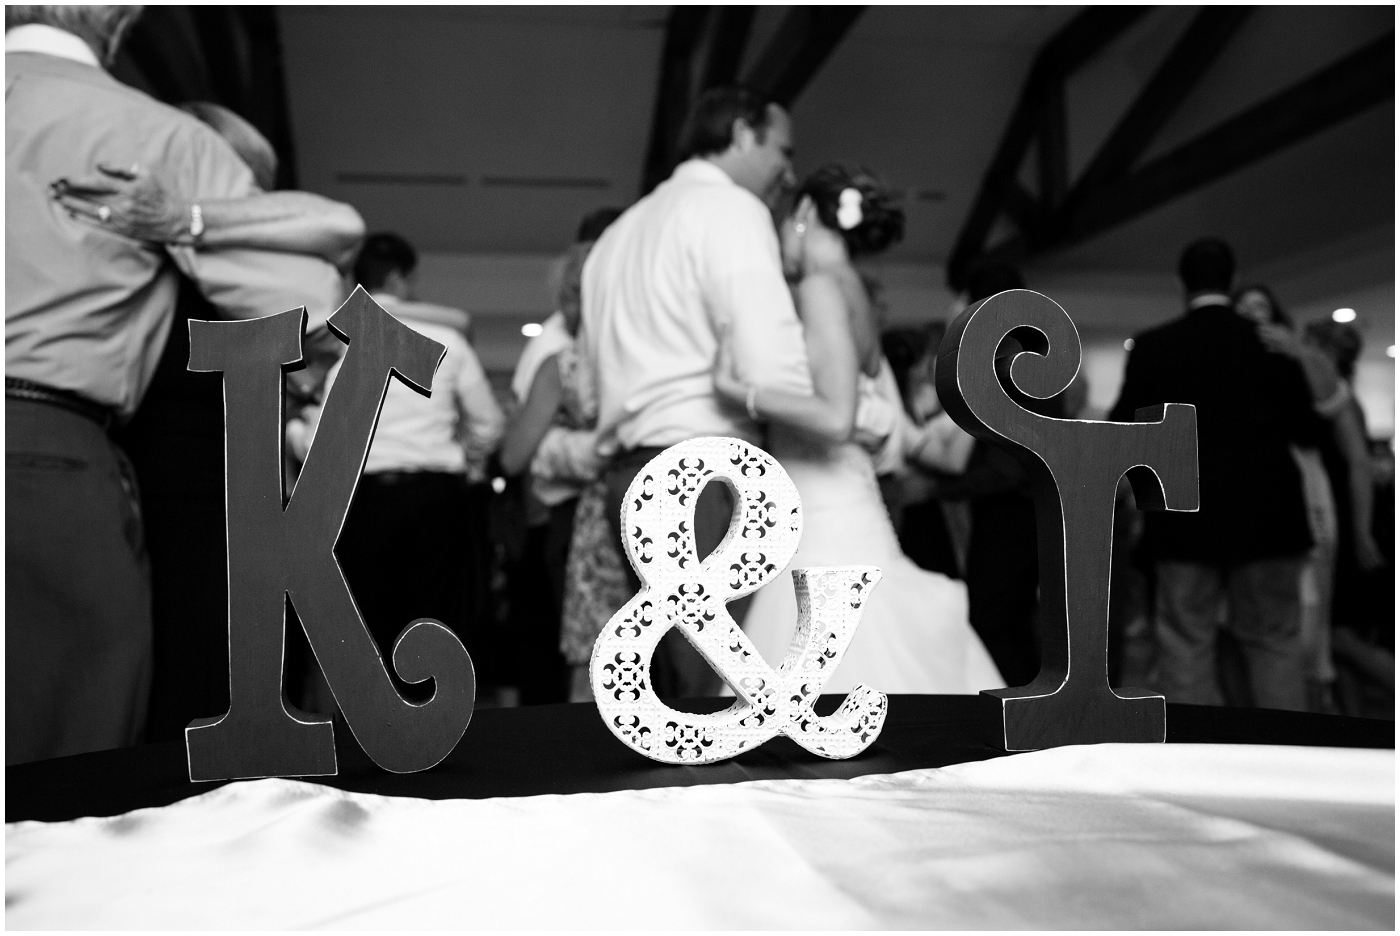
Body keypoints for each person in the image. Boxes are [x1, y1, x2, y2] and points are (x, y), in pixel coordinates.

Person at [6, 6, 343, 763]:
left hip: (134, 468)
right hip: (55, 456)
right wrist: (204, 218)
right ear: (119, 19)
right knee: (60, 772)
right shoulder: (151, 138)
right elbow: (313, 304)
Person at [50, 101, 366, 741]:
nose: (256, 202)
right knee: (198, 667)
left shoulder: (200, 243)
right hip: (190, 473)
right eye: (246, 184)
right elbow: (334, 251)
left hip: (177, 466)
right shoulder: (203, 249)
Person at [716, 165, 1003, 695]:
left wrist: (741, 393)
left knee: (822, 667)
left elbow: (835, 416)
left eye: (782, 223)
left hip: (825, 511)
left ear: (802, 213)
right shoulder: (856, 290)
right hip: (848, 496)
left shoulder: (822, 286)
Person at [579, 85, 812, 699]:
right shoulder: (730, 210)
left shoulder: (616, 235)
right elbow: (768, 352)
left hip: (629, 474)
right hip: (704, 474)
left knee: (667, 694)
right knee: (715, 695)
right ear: (740, 133)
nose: (787, 169)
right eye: (780, 148)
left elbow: (590, 372)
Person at [289, 233, 505, 701]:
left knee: (362, 620)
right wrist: (466, 457)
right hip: (435, 498)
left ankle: (369, 734)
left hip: (359, 500)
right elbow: (488, 425)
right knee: (434, 619)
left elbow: (314, 445)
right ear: (400, 278)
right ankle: (434, 727)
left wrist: (295, 432)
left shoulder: (337, 346)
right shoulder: (446, 341)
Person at [1111, 239, 1315, 711]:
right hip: (1270, 516)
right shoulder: (1271, 343)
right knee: (1273, 642)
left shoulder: (1155, 347)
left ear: (1181, 283)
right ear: (1232, 277)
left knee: (1186, 642)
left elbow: (1126, 431)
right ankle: (1286, 761)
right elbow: (1306, 429)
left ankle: (1198, 765)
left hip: (1184, 514)